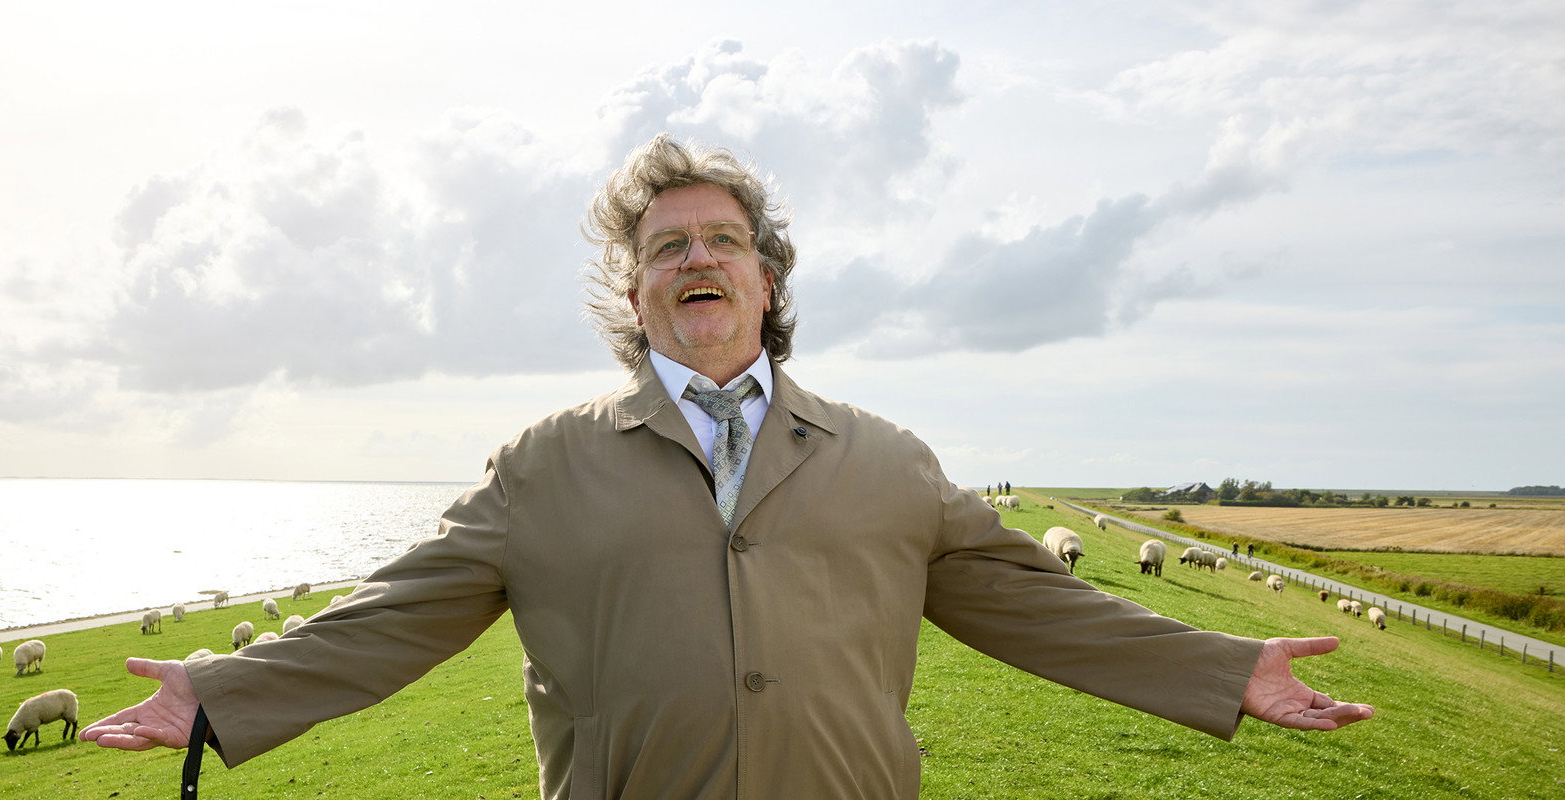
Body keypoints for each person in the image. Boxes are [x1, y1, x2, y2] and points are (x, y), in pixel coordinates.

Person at [80, 134, 1373, 798]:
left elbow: (1039, 603)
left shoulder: (887, 461)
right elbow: (395, 616)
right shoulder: (542, 470)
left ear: (767, 278)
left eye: (721, 240)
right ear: (632, 293)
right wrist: (222, 696)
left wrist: (1223, 667)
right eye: (664, 247)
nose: (695, 259)